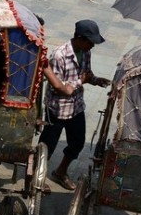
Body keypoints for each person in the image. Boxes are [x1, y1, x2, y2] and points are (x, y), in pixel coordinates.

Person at [39, 20, 110, 191]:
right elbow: (59, 87)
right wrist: (80, 81)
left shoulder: (86, 53)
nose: (92, 46)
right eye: (90, 42)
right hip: (57, 109)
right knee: (47, 146)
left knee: (77, 143)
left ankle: (60, 172)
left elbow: (86, 74)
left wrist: (95, 80)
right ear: (79, 38)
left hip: (76, 107)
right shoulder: (59, 56)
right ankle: (38, 177)